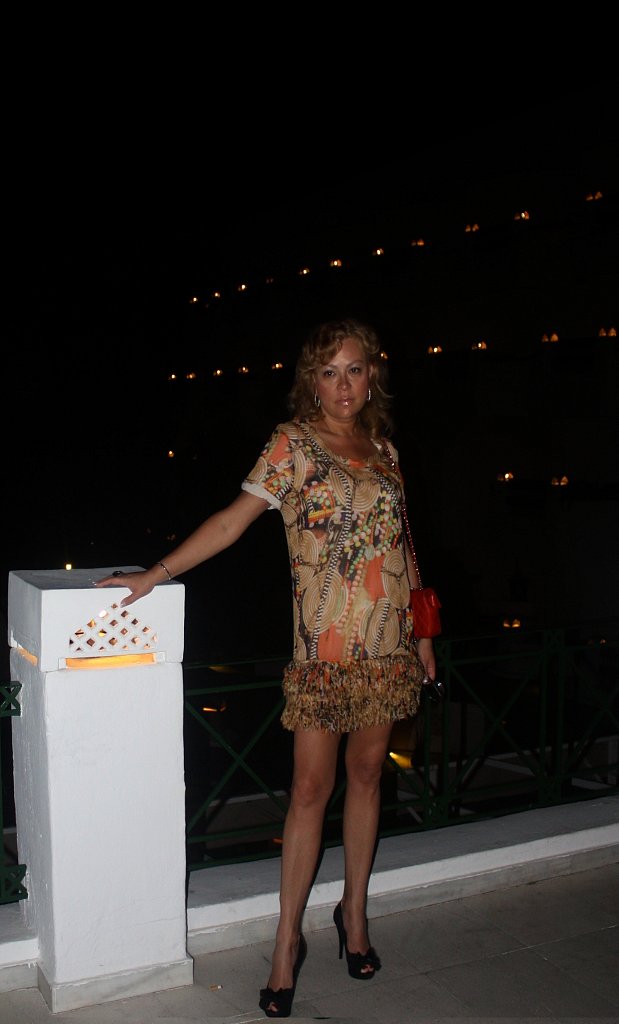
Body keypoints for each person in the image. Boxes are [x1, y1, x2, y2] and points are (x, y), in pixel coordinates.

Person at [95, 318, 437, 1018]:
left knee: (368, 777)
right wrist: (154, 574)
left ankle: (354, 915)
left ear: (372, 374)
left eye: (355, 369)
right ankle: (287, 943)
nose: (344, 385)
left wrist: (423, 634)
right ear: (312, 380)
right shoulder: (293, 446)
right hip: (323, 652)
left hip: (388, 645)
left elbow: (402, 546)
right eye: (329, 371)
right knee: (309, 790)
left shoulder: (384, 449)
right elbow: (232, 521)